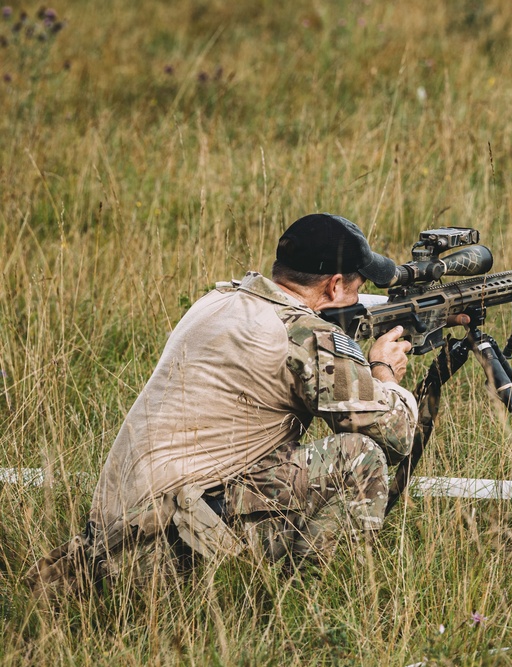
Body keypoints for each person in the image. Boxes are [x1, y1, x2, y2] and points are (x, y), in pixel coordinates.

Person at [30, 213, 433, 593]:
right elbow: (395, 435)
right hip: (166, 544)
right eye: (359, 287)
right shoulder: (304, 334)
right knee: (359, 458)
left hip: (115, 532)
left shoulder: (220, 301)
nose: (360, 295)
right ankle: (307, 605)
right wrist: (382, 371)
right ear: (335, 286)